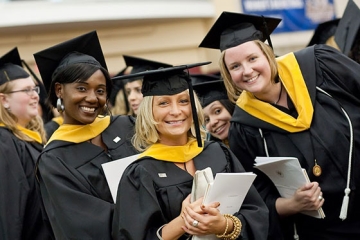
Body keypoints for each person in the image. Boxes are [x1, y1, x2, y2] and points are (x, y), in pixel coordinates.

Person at [199, 11, 360, 240]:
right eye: (235, 66)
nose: (246, 71)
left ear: (268, 54)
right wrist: (292, 204)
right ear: (227, 74)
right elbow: (257, 198)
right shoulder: (244, 128)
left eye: (252, 58)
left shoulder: (320, 64)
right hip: (324, 231)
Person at [112, 63, 269, 240]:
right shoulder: (140, 173)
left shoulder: (218, 153)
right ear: (149, 112)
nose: (176, 111)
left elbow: (256, 213)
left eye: (183, 101)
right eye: (163, 103)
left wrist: (224, 225)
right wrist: (182, 222)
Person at [33, 31, 138, 240]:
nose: (92, 98)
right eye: (82, 88)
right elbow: (83, 225)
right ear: (59, 90)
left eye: (100, 91)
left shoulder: (126, 126)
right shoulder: (54, 160)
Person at [0, 47, 53, 239]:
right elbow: (9, 210)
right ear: (4, 100)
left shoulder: (28, 138)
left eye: (34, 89)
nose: (35, 95)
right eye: (26, 90)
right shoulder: (4, 143)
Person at [192, 74, 235, 144]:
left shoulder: (256, 138)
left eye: (217, 111)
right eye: (206, 120)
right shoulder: (213, 153)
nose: (212, 122)